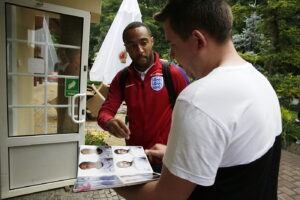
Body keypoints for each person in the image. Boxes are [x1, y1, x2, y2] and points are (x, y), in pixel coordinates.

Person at [115, 0, 282, 200]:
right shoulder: (260, 82)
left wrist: (112, 179)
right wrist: (175, 154)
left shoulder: (198, 99)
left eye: (173, 44)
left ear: (197, 40)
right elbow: (234, 160)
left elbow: (166, 196)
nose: (173, 55)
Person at [98, 21, 189, 173]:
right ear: (126, 48)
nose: (140, 50)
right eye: (132, 45)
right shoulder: (122, 78)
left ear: (152, 41)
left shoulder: (173, 73)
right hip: (135, 157)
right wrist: (109, 122)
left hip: (166, 157)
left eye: (144, 43)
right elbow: (104, 112)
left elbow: (192, 115)